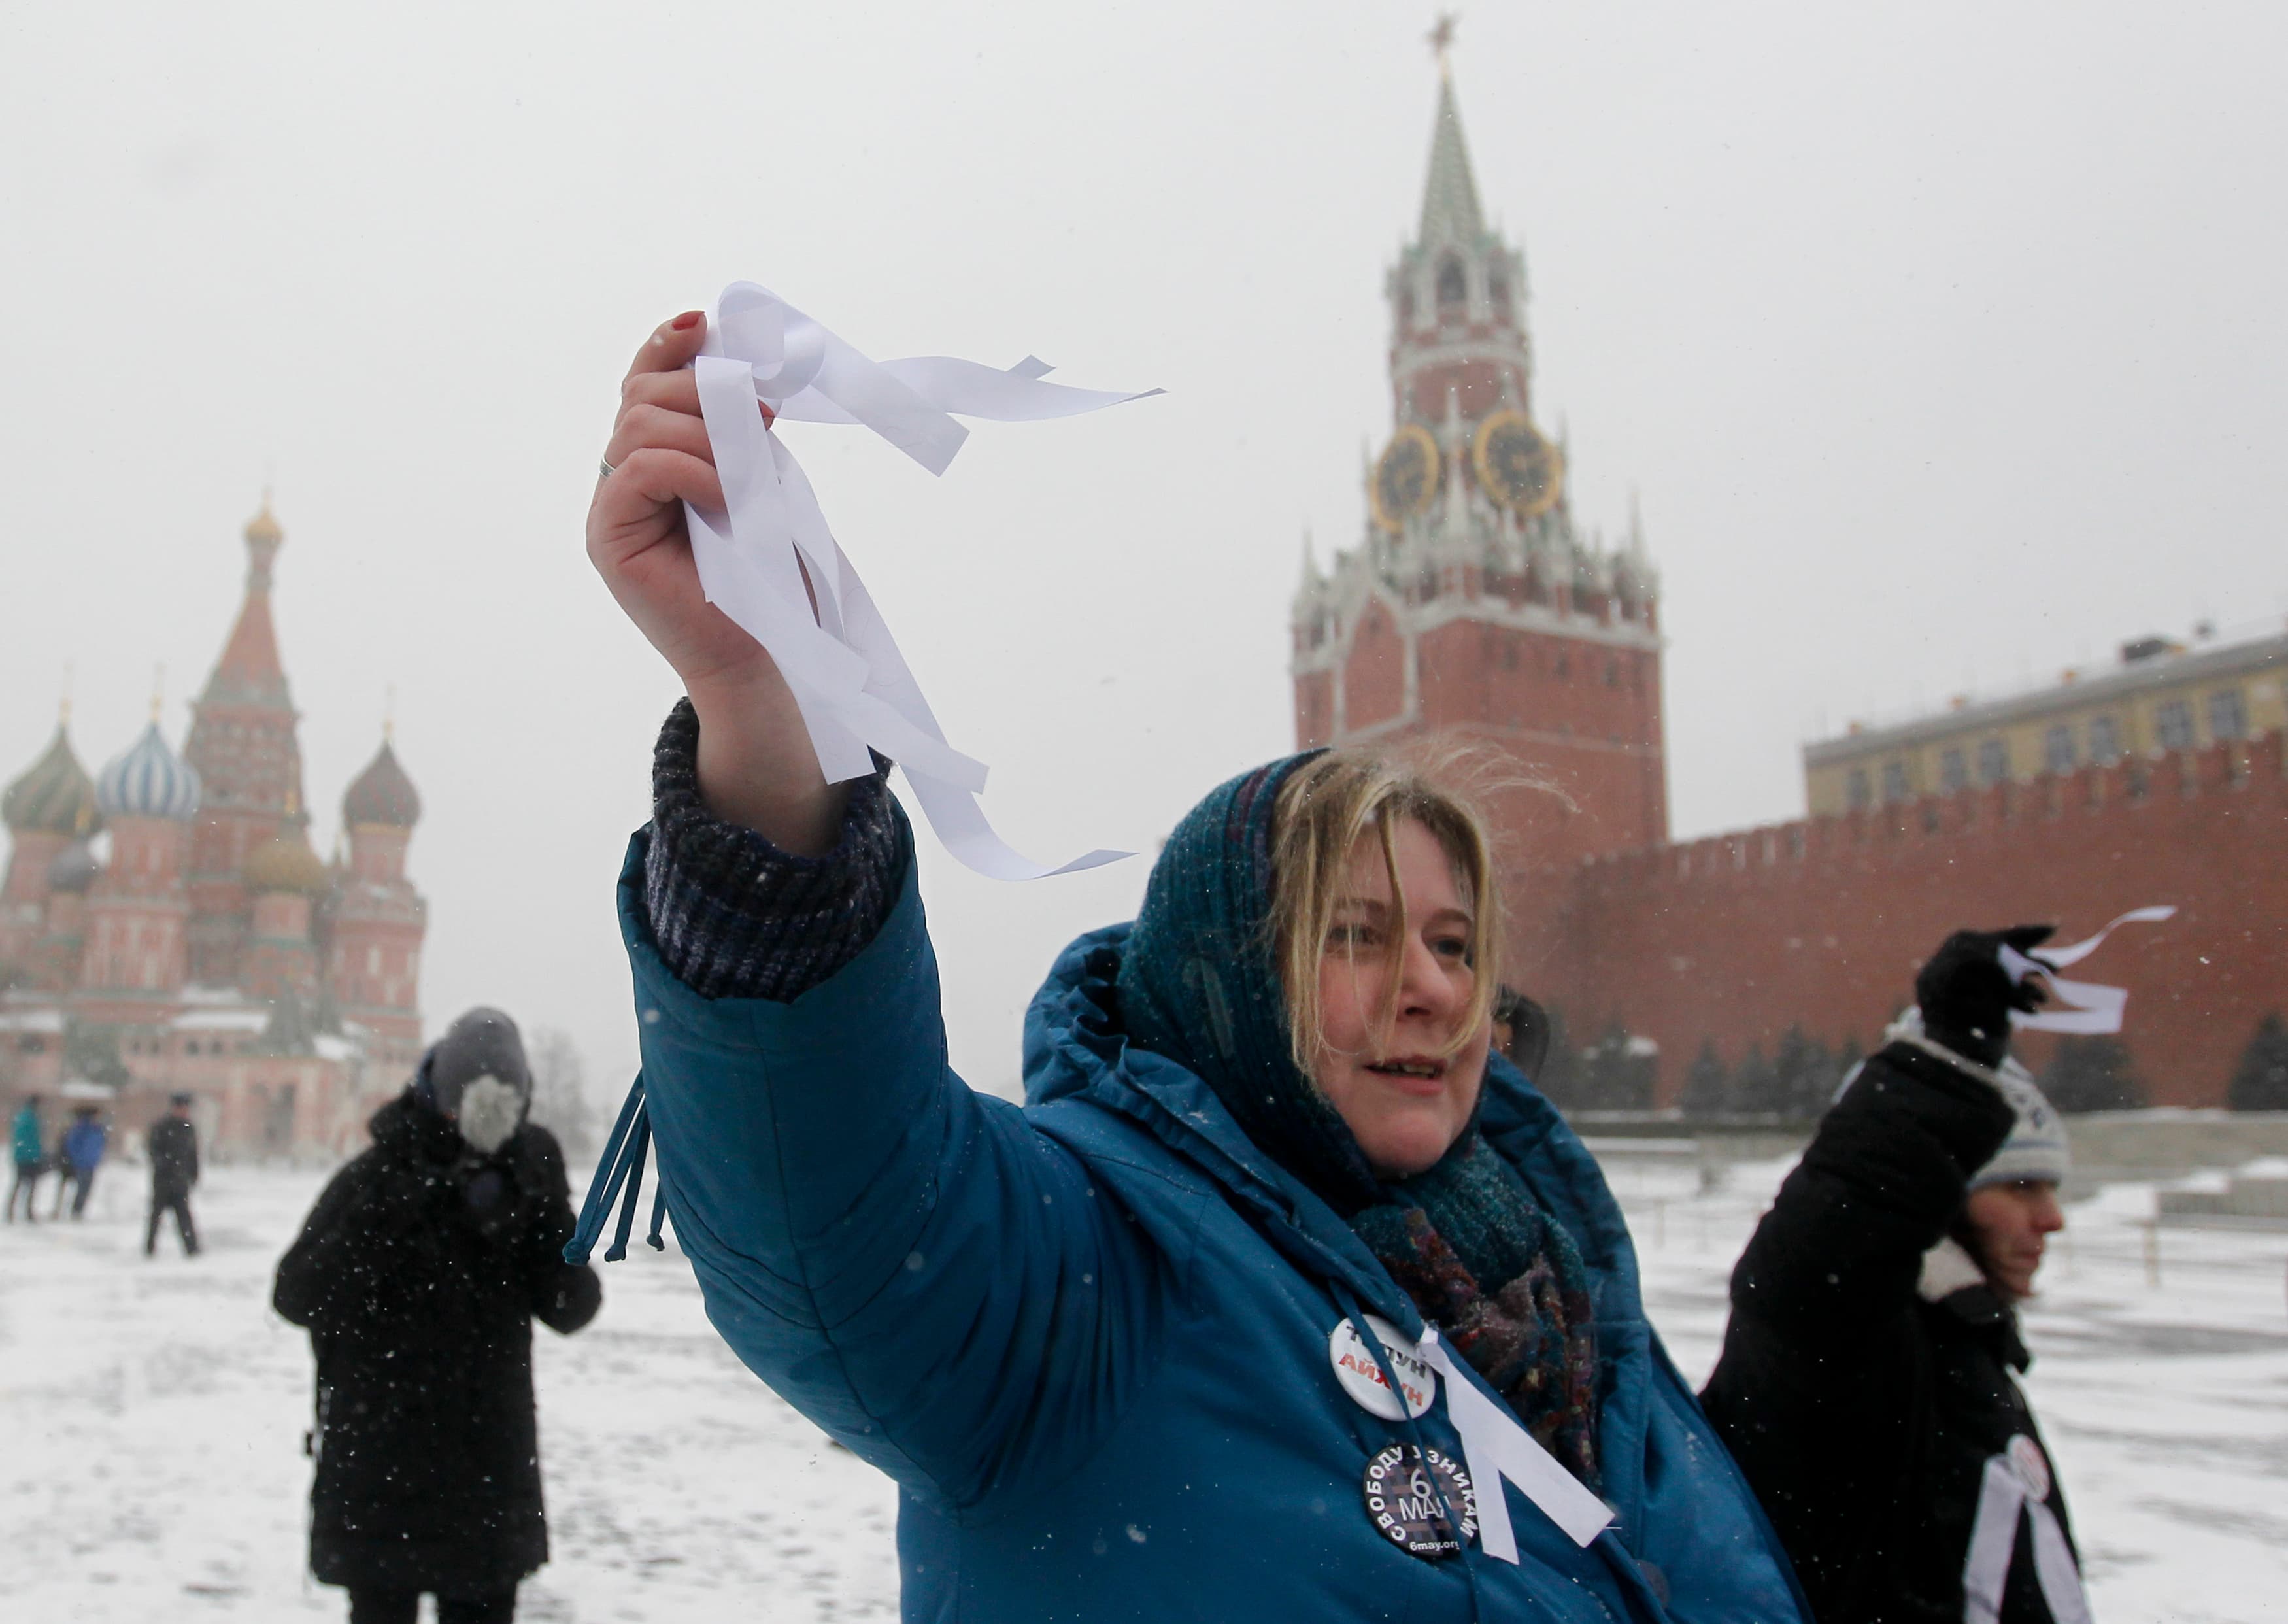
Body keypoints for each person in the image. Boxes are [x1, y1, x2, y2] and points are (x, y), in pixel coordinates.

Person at [578, 310, 1809, 1622]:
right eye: (1356, 933)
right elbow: (838, 1215)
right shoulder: (1087, 1283)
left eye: (1456, 944)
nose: (1435, 987)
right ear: (1224, 979)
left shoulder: (1558, 1275)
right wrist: (775, 727)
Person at [1700, 927, 2092, 1623]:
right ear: (1940, 1199)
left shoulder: (1967, 1347)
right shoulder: (1844, 1352)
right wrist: (1945, 1067)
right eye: (2021, 1187)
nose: (2051, 1218)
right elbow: (1824, 1248)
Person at [273, 1007, 601, 1624]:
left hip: (483, 1475)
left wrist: (542, 1218)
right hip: (382, 1470)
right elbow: (295, 1295)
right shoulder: (376, 1176)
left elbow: (572, 1307)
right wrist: (391, 1218)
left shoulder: (524, 1177)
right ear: (437, 1096)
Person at [146, 1093, 201, 1255]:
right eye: (181, 1108)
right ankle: (150, 1247)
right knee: (156, 1215)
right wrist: (164, 1163)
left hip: (180, 1179)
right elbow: (153, 1151)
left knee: (184, 1215)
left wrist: (194, 1174)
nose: (184, 1111)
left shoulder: (188, 1128)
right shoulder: (161, 1126)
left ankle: (191, 1247)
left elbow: (193, 1154)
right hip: (163, 1179)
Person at [52, 1103, 107, 1219]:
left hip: (88, 1163)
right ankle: (74, 1211)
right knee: (81, 1188)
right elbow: (73, 1145)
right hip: (81, 1163)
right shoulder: (84, 1128)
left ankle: (75, 1210)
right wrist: (79, 1159)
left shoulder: (94, 1129)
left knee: (83, 1189)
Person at [8, 1093, 43, 1223]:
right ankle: (26, 1211)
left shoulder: (22, 1117)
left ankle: (11, 1211)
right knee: (29, 1186)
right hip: (29, 1157)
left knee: (19, 1185)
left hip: (23, 1157)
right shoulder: (31, 1118)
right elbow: (32, 1140)